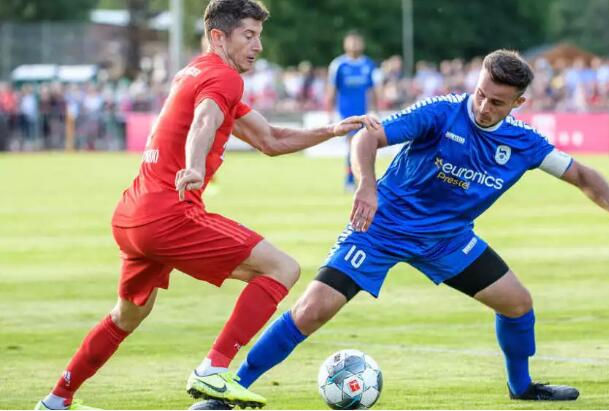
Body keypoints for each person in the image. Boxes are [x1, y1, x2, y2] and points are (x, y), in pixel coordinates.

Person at [233, 49, 609, 402]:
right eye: (481, 94)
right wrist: (366, 186)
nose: (483, 107)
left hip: (447, 240)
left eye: (497, 102)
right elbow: (367, 136)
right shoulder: (441, 112)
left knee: (517, 304)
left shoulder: (524, 142)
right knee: (312, 310)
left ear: (518, 103)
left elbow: (581, 174)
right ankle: (235, 387)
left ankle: (522, 387)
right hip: (381, 228)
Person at [34, 1, 378, 410]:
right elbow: (204, 120)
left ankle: (56, 400)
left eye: (259, 36)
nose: (258, 46)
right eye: (249, 36)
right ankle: (213, 369)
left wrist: (332, 130)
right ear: (218, 37)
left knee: (126, 315)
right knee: (282, 268)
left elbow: (270, 140)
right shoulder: (224, 77)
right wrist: (195, 166)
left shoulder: (196, 72)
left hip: (133, 215)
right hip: (168, 213)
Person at [325, 31, 379, 192]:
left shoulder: (368, 64)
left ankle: (360, 180)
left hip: (365, 112)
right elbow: (332, 89)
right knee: (353, 146)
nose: (354, 45)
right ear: (345, 45)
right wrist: (330, 112)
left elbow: (373, 89)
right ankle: (351, 180)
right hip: (346, 113)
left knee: (366, 147)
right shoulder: (339, 65)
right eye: (351, 42)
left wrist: (375, 110)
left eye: (357, 42)